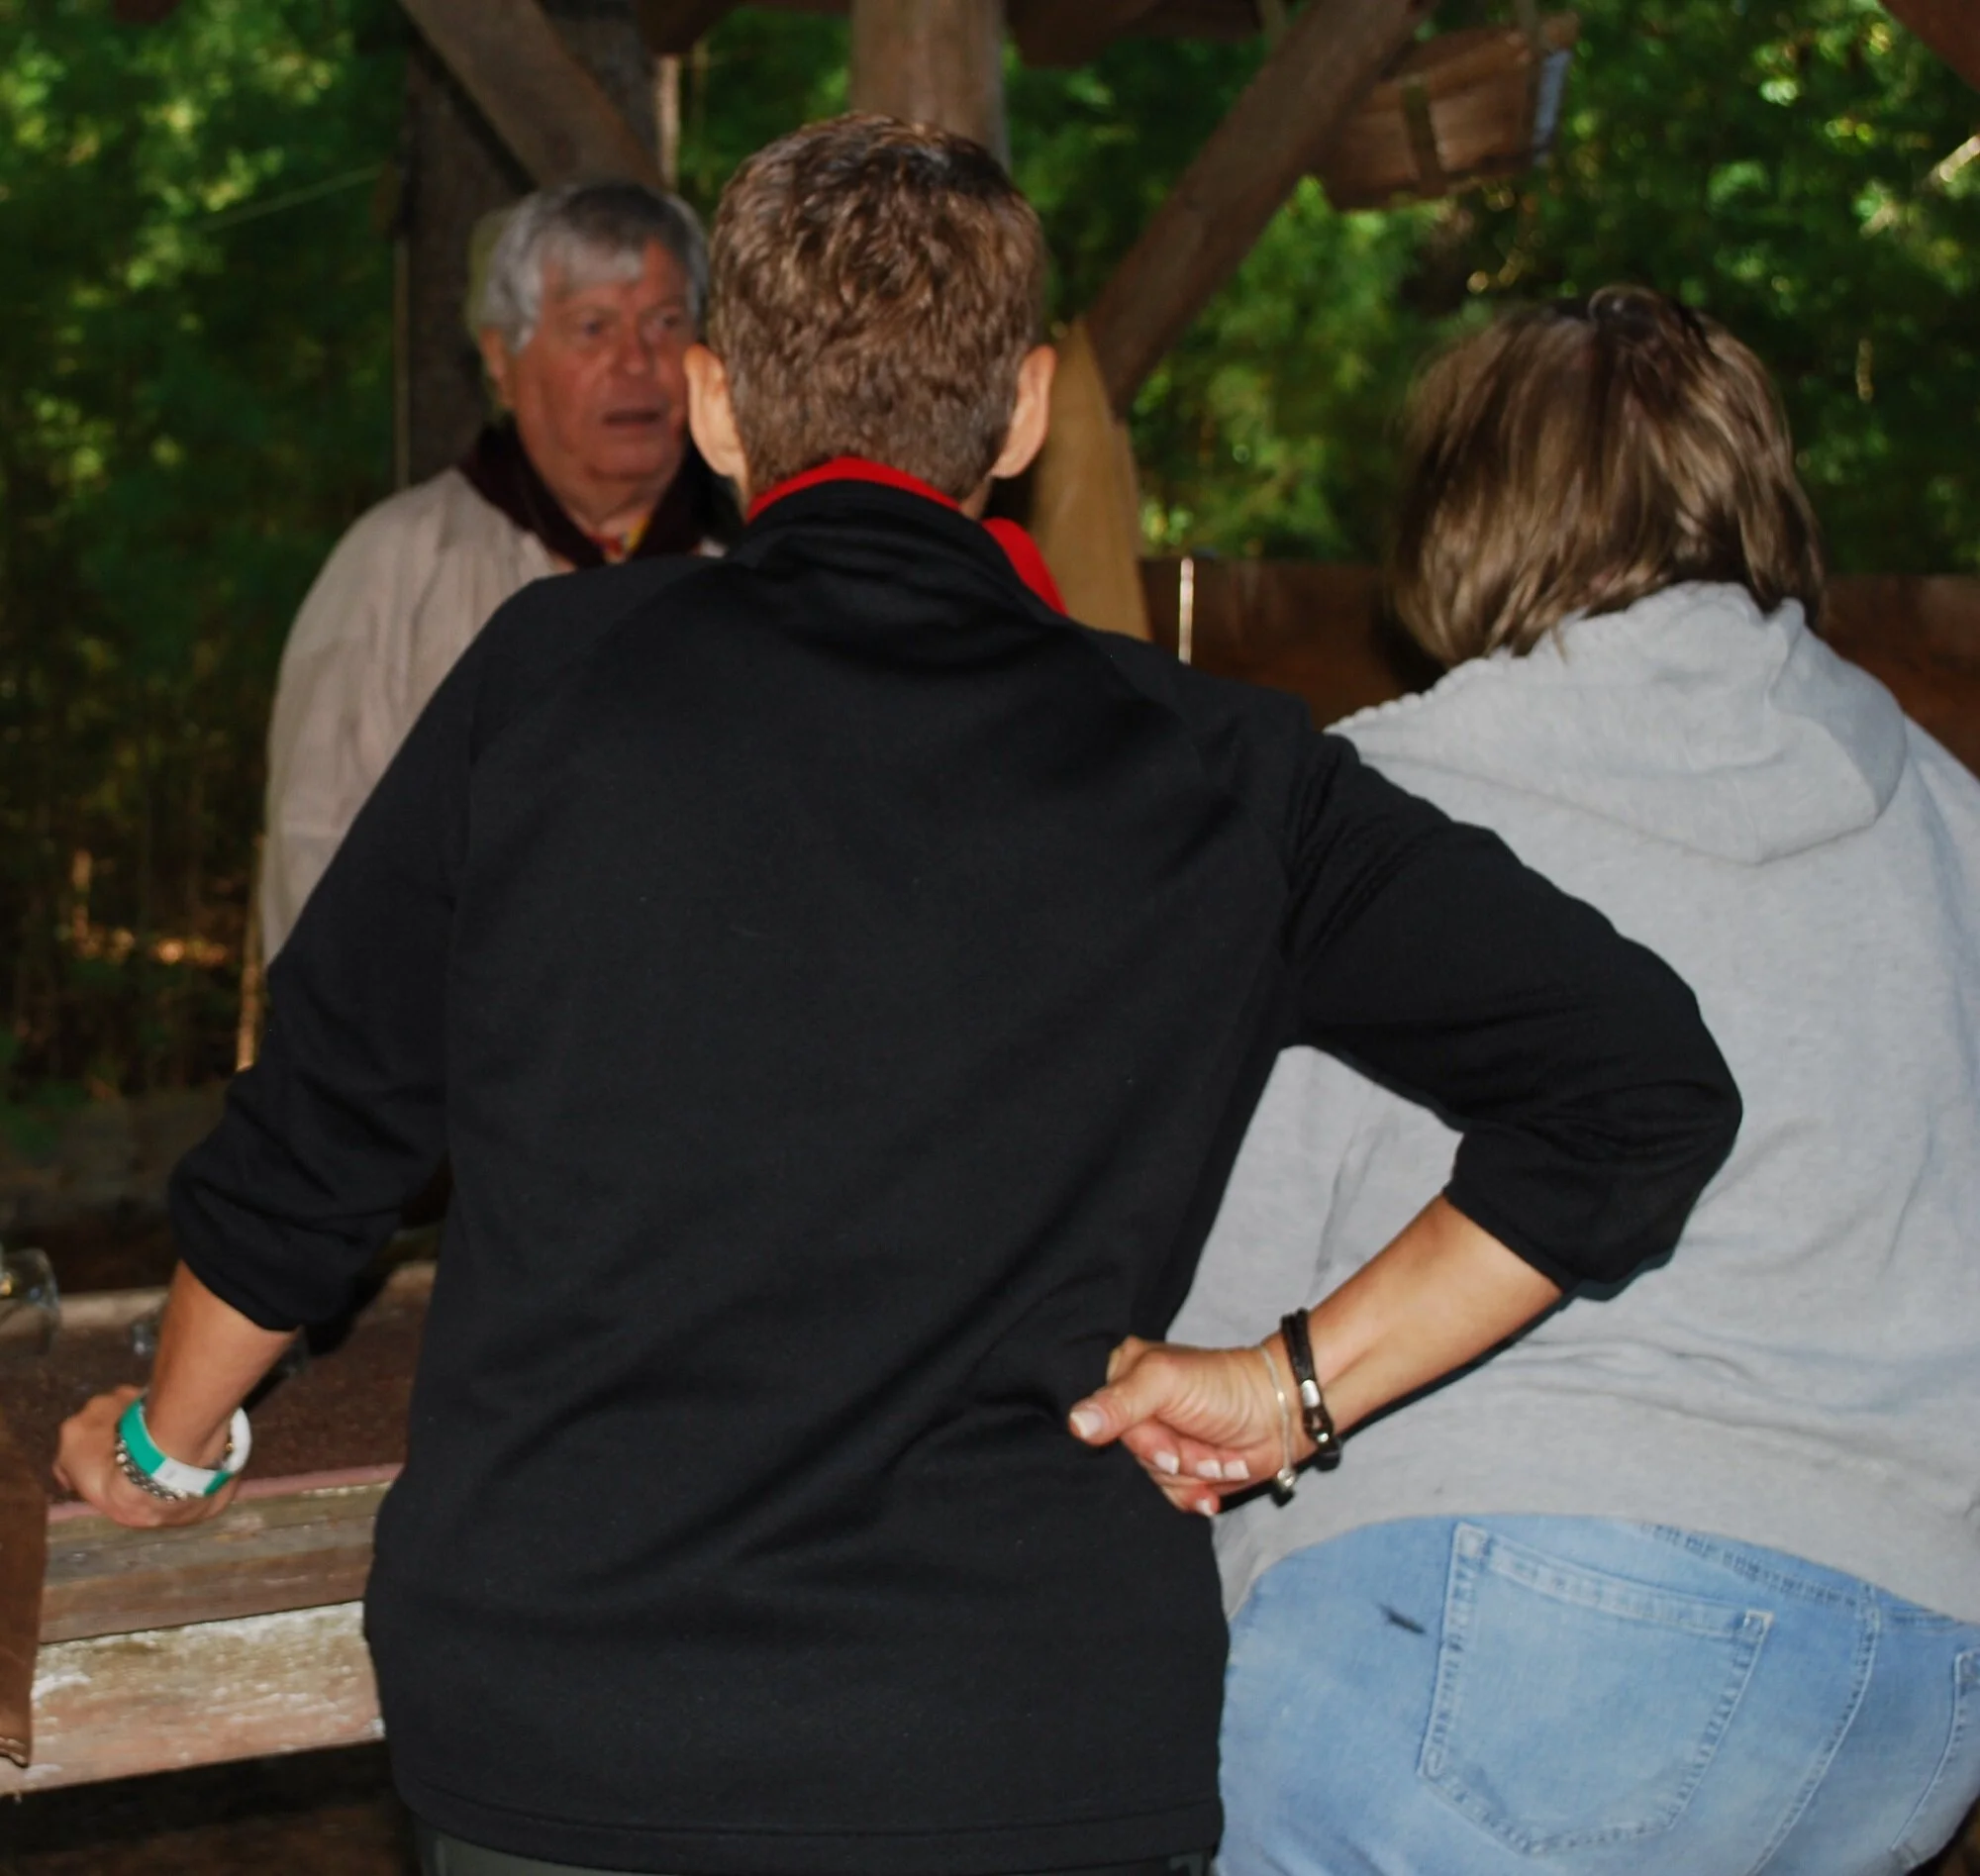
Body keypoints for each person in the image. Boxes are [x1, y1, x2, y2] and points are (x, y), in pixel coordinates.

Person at [56, 133, 1737, 1876]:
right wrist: (1290, 1391)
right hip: (1026, 1738)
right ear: (1018, 415)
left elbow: (320, 1135)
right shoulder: (1220, 771)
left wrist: (167, 1446)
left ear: (716, 407)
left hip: (577, 1728)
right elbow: (1641, 1088)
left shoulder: (548, 685)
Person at [1103, 287, 1980, 1875]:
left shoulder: (1383, 805)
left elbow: (1226, 1266)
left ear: (1466, 511)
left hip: (1500, 1619)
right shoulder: (1945, 810)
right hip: (1905, 1683)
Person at [260, 178, 733, 956]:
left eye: (666, 321)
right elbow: (316, 851)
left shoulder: (751, 569)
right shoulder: (398, 567)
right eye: (593, 327)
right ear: (501, 358)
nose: (639, 361)